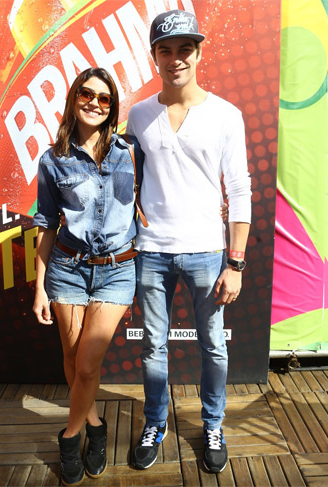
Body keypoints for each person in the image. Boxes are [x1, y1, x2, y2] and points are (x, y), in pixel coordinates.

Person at [127, 9, 251, 473]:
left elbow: (239, 189)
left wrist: (234, 262)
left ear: (199, 53)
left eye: (184, 49)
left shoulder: (225, 115)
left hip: (207, 251)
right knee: (152, 345)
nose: (175, 58)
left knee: (213, 345)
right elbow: (125, 178)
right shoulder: (138, 114)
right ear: (154, 56)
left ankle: (213, 423)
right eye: (165, 50)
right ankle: (155, 422)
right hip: (152, 250)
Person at [32, 67, 143, 486]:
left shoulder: (131, 152)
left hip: (116, 270)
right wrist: (40, 286)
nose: (95, 103)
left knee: (87, 363)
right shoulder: (53, 159)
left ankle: (70, 435)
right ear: (73, 99)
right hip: (67, 268)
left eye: (104, 98)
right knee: (73, 358)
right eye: (87, 95)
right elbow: (45, 224)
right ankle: (96, 425)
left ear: (113, 107)